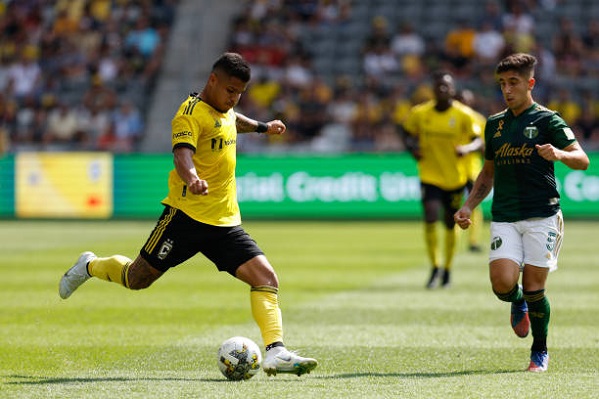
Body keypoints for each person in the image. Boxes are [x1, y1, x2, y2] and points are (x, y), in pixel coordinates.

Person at [59, 52, 318, 377]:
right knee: (137, 279)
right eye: (230, 91)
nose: (234, 97)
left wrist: (264, 127)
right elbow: (183, 154)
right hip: (184, 218)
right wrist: (192, 177)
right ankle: (89, 265)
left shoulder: (225, 107)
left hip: (224, 222)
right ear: (213, 81)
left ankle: (275, 352)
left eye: (239, 93)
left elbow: (234, 120)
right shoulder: (189, 113)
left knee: (267, 279)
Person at [454, 53, 590, 372]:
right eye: (502, 83)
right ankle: (516, 303)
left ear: (530, 83)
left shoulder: (548, 120)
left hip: (542, 215)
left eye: (513, 82)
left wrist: (558, 153)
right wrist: (468, 205)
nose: (507, 89)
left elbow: (582, 159)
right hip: (505, 215)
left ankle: (539, 350)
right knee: (502, 284)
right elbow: (487, 173)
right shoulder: (494, 125)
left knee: (535, 289)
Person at [402, 70, 482, 289]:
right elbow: (406, 132)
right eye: (438, 86)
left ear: (453, 90)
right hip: (429, 175)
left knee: (450, 223)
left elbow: (478, 141)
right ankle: (434, 266)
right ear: (433, 89)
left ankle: (447, 268)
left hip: (455, 177)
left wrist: (467, 148)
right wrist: (412, 149)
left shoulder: (464, 115)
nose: (442, 89)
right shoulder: (420, 113)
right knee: (429, 215)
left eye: (446, 86)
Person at [455, 89, 486, 253]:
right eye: (460, 100)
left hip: (472, 169)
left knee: (474, 204)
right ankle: (454, 237)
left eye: (465, 101)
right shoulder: (451, 118)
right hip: (454, 168)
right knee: (454, 204)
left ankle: (473, 241)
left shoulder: (479, 120)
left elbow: (484, 146)